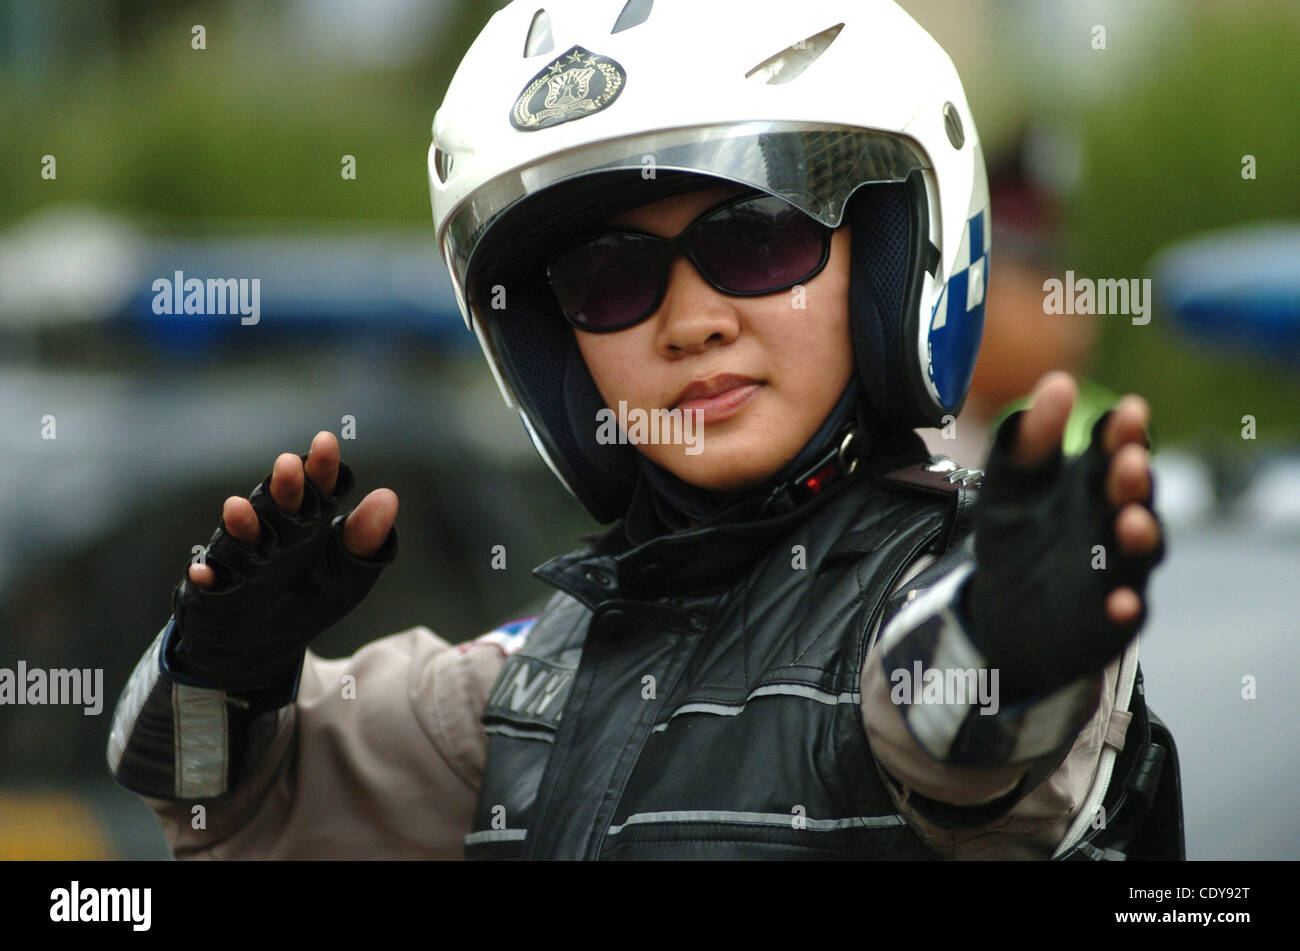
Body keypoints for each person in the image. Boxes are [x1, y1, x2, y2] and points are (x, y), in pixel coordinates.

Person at [106, 0, 1178, 860]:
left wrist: (1004, 643)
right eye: (610, 276)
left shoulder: (946, 599)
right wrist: (221, 674)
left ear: (889, 257)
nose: (690, 322)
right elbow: (215, 810)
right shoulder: (529, 681)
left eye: (754, 239)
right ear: (554, 345)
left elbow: (951, 739)